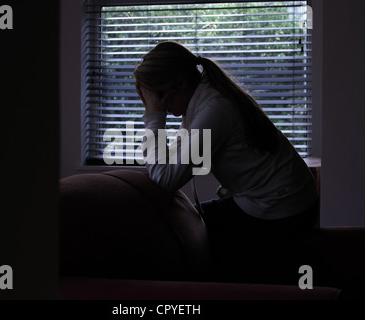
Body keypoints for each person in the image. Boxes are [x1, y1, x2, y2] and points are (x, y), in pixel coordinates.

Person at [134, 41, 319, 281]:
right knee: (185, 223)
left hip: (282, 211)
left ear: (178, 85)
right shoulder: (205, 100)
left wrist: (153, 116)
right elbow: (169, 163)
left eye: (159, 97)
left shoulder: (215, 109)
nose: (164, 108)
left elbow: (166, 179)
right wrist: (156, 111)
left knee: (181, 232)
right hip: (288, 202)